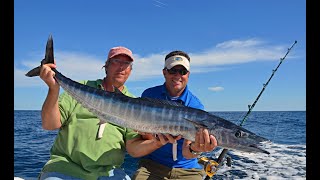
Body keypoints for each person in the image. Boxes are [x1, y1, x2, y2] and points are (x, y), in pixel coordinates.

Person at [37, 46, 170, 180]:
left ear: (130, 70)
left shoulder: (134, 105)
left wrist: (158, 142)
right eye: (116, 62)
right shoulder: (82, 87)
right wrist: (53, 89)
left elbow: (133, 149)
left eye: (126, 64)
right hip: (65, 169)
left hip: (109, 174)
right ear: (106, 66)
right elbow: (49, 124)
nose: (121, 67)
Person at [132, 50, 218, 180]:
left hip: (187, 170)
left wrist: (195, 149)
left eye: (182, 72)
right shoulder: (149, 94)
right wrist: (155, 139)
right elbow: (145, 136)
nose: (178, 75)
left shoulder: (195, 105)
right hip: (152, 166)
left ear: (188, 75)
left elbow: (187, 153)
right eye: (173, 71)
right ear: (164, 72)